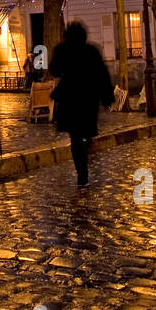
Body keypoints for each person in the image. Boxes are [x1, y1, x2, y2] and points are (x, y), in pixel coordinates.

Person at [49, 22, 112, 187]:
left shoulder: (63, 50)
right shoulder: (91, 51)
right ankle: (86, 147)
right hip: (88, 98)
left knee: (75, 138)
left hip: (70, 98)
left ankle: (82, 174)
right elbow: (102, 74)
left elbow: (54, 70)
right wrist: (107, 97)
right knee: (85, 131)